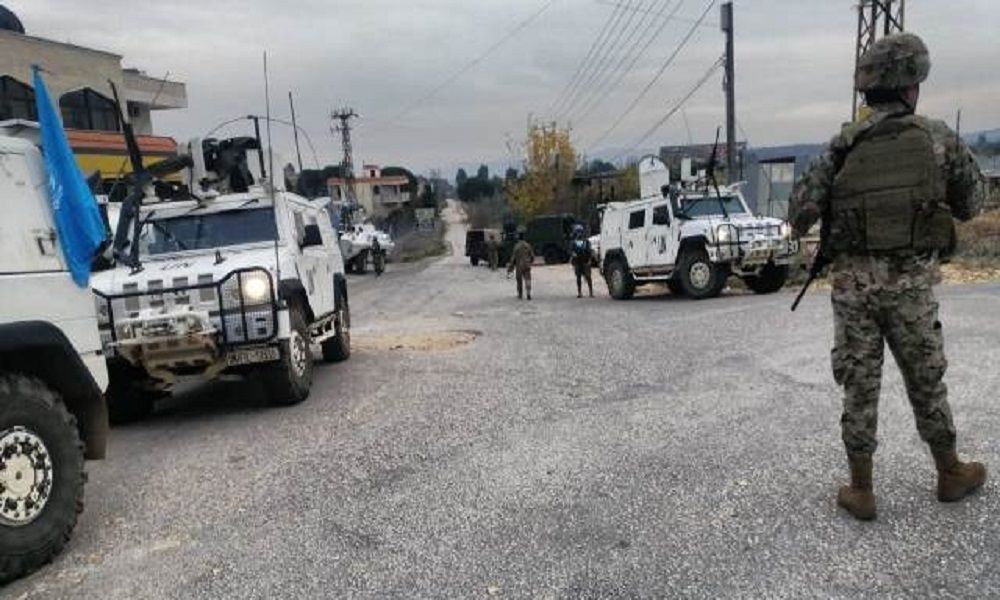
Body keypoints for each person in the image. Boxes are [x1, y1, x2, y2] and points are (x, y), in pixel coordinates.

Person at [789, 33, 985, 521]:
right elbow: (971, 203)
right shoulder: (938, 138)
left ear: (869, 89)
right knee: (926, 378)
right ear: (910, 86)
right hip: (911, 288)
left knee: (859, 384)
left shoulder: (841, 146)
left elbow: (799, 213)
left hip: (854, 290)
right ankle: (950, 471)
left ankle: (861, 489)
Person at [507, 232, 534, 300]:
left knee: (519, 280)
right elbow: (532, 256)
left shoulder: (516, 246)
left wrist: (510, 267)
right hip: (527, 265)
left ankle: (520, 294)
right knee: (528, 279)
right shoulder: (528, 245)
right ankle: (528, 293)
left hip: (519, 265)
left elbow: (513, 258)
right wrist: (530, 262)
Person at [570, 224, 594, 298]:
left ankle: (591, 292)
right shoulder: (573, 243)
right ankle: (580, 292)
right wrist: (573, 259)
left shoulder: (586, 242)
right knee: (578, 277)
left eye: (580, 232)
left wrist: (589, 260)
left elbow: (590, 251)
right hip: (577, 262)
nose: (579, 234)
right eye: (577, 232)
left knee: (588, 277)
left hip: (585, 261)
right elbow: (571, 252)